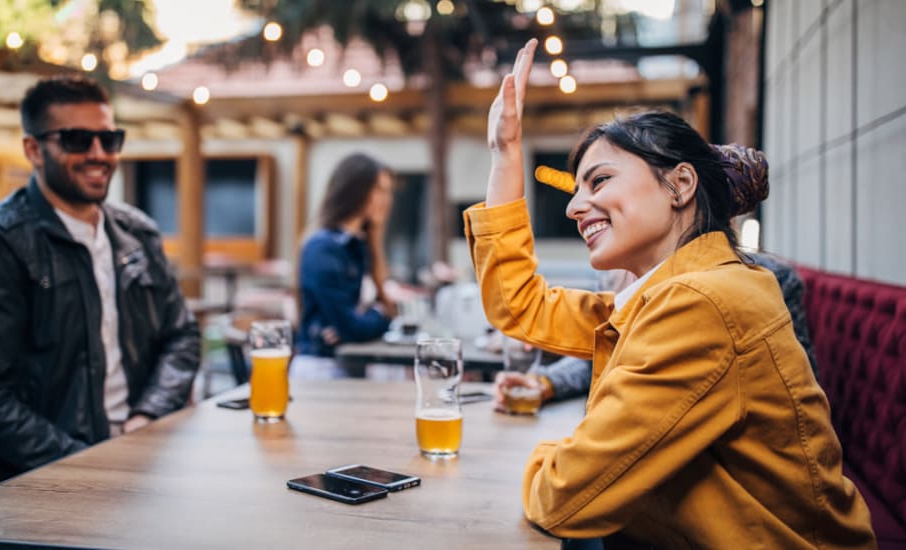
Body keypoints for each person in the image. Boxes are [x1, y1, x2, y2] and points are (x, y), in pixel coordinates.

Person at [466, 39, 875, 548]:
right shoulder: (675, 291)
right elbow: (521, 305)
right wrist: (505, 152)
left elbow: (562, 497)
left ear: (680, 185)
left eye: (599, 181)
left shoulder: (701, 303)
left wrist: (556, 449)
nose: (575, 207)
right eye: (576, 190)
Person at [0, 76, 200, 489]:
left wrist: (147, 417)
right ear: (33, 149)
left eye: (110, 139)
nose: (99, 154)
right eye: (77, 139)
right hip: (38, 482)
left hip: (146, 458)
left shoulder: (138, 234)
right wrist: (86, 462)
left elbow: (182, 336)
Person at [494, 256, 819, 409]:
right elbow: (608, 341)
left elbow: (795, 388)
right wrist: (547, 382)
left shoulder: (763, 279)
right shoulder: (619, 266)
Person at [291, 153, 396, 378]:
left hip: (346, 363)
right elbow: (352, 327)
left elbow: (351, 325)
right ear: (354, 189)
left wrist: (362, 319)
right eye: (379, 189)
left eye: (388, 191)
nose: (386, 199)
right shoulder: (323, 247)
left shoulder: (359, 245)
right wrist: (379, 313)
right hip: (321, 368)